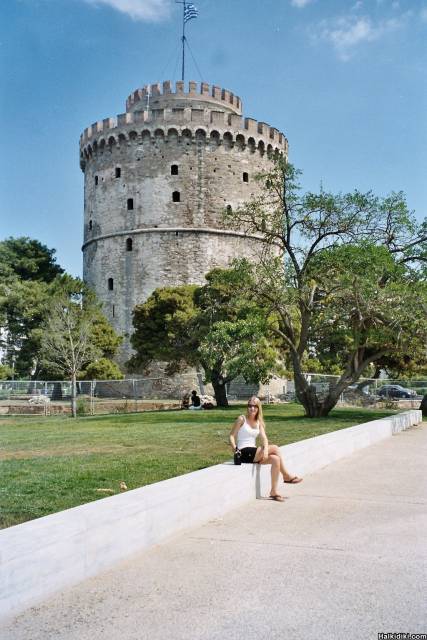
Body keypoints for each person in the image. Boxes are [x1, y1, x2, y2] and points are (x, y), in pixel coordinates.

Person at [229, 396, 302, 502]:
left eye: (255, 406)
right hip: (243, 452)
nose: (252, 408)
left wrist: (266, 451)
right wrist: (235, 448)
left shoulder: (259, 422)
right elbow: (231, 435)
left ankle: (273, 491)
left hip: (254, 452)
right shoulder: (242, 419)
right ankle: (286, 476)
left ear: (258, 408)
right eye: (250, 406)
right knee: (276, 448)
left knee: (275, 459)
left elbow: (264, 438)